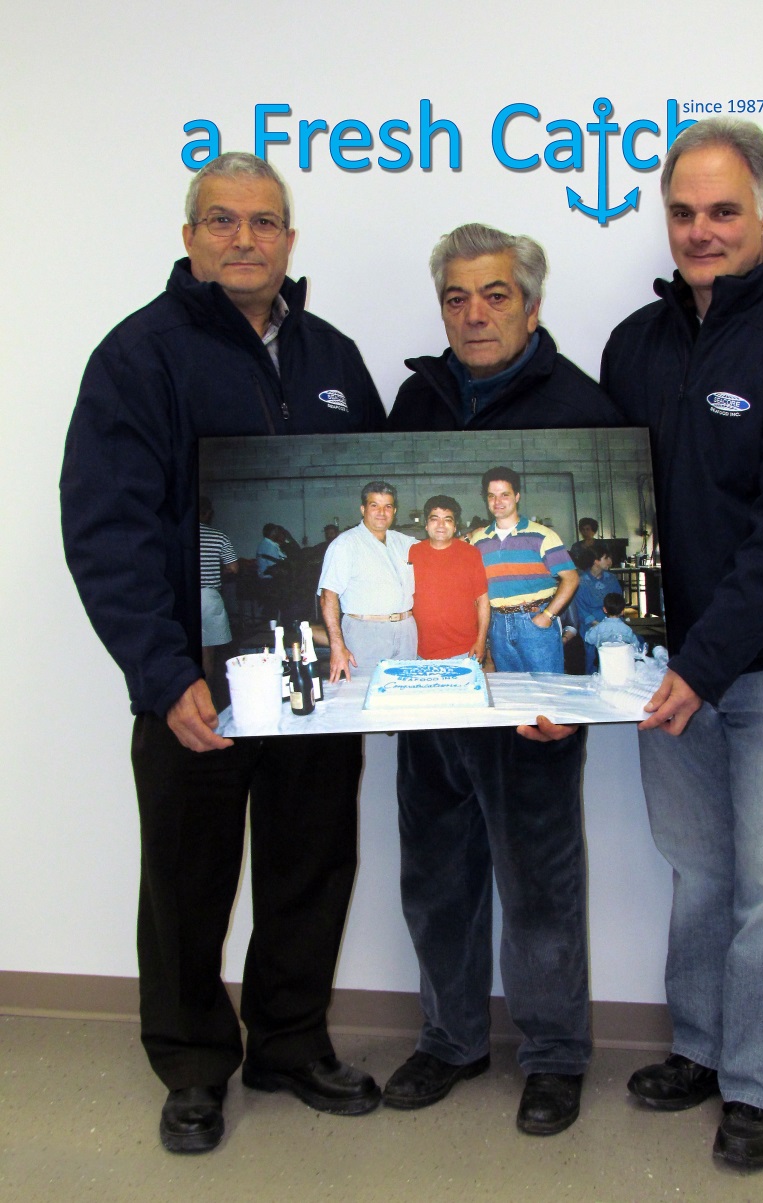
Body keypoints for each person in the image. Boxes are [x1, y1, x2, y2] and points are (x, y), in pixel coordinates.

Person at [60, 151, 386, 1155]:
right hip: (194, 685)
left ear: (289, 240)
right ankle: (195, 1064)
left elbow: (365, 512)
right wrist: (161, 678)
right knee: (187, 880)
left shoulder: (332, 359)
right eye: (222, 220)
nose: (243, 238)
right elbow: (106, 530)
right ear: (190, 235)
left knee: (311, 862)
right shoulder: (138, 357)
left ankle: (289, 1043)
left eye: (263, 222)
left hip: (313, 681)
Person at [600, 119, 763, 1170]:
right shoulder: (634, 347)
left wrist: (698, 667)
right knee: (699, 871)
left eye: (721, 211)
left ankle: (761, 1084)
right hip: (669, 667)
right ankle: (706, 1051)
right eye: (682, 212)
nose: (700, 231)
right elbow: (611, 512)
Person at [384, 223, 620, 1137]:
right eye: (456, 297)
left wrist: (573, 701)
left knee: (539, 886)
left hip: (531, 702)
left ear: (530, 302)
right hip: (433, 684)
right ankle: (450, 1039)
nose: (474, 313)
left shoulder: (583, 405)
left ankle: (554, 1055)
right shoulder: (413, 401)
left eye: (494, 294)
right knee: (436, 877)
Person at [470, 467, 578, 674]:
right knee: (513, 693)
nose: (497, 502)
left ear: (517, 496)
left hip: (535, 622)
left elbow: (571, 578)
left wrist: (547, 616)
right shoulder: (479, 540)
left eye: (504, 495)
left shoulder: (542, 535)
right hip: (498, 625)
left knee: (548, 690)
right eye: (491, 496)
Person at [317, 481, 417, 681]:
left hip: (406, 632)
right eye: (374, 505)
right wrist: (337, 646)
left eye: (387, 506)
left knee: (405, 693)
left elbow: (439, 548)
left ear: (394, 511)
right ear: (363, 509)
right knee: (363, 693)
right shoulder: (345, 544)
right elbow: (328, 596)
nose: (382, 512)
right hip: (365, 634)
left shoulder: (404, 542)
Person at [409, 495, 489, 662]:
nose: (440, 525)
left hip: (464, 650)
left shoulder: (471, 554)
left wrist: (481, 641)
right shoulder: (412, 553)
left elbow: (483, 600)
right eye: (434, 519)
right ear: (426, 524)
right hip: (420, 651)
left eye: (447, 519)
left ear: (455, 527)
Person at [198, 496, 239, 682]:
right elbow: (233, 568)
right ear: (208, 514)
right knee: (207, 651)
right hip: (208, 597)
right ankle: (206, 692)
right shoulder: (218, 536)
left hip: (178, 597)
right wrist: (215, 569)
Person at [570, 544, 626, 673]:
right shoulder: (581, 581)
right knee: (592, 652)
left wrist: (614, 620)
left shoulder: (611, 579)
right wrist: (597, 624)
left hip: (613, 619)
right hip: (591, 624)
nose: (610, 562)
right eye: (606, 558)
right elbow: (580, 608)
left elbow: (618, 600)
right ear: (596, 560)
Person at [582, 591, 641, 660]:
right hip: (623, 662)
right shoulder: (627, 629)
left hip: (604, 663)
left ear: (604, 610)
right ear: (622, 612)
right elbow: (635, 646)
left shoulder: (599, 627)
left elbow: (588, 639)